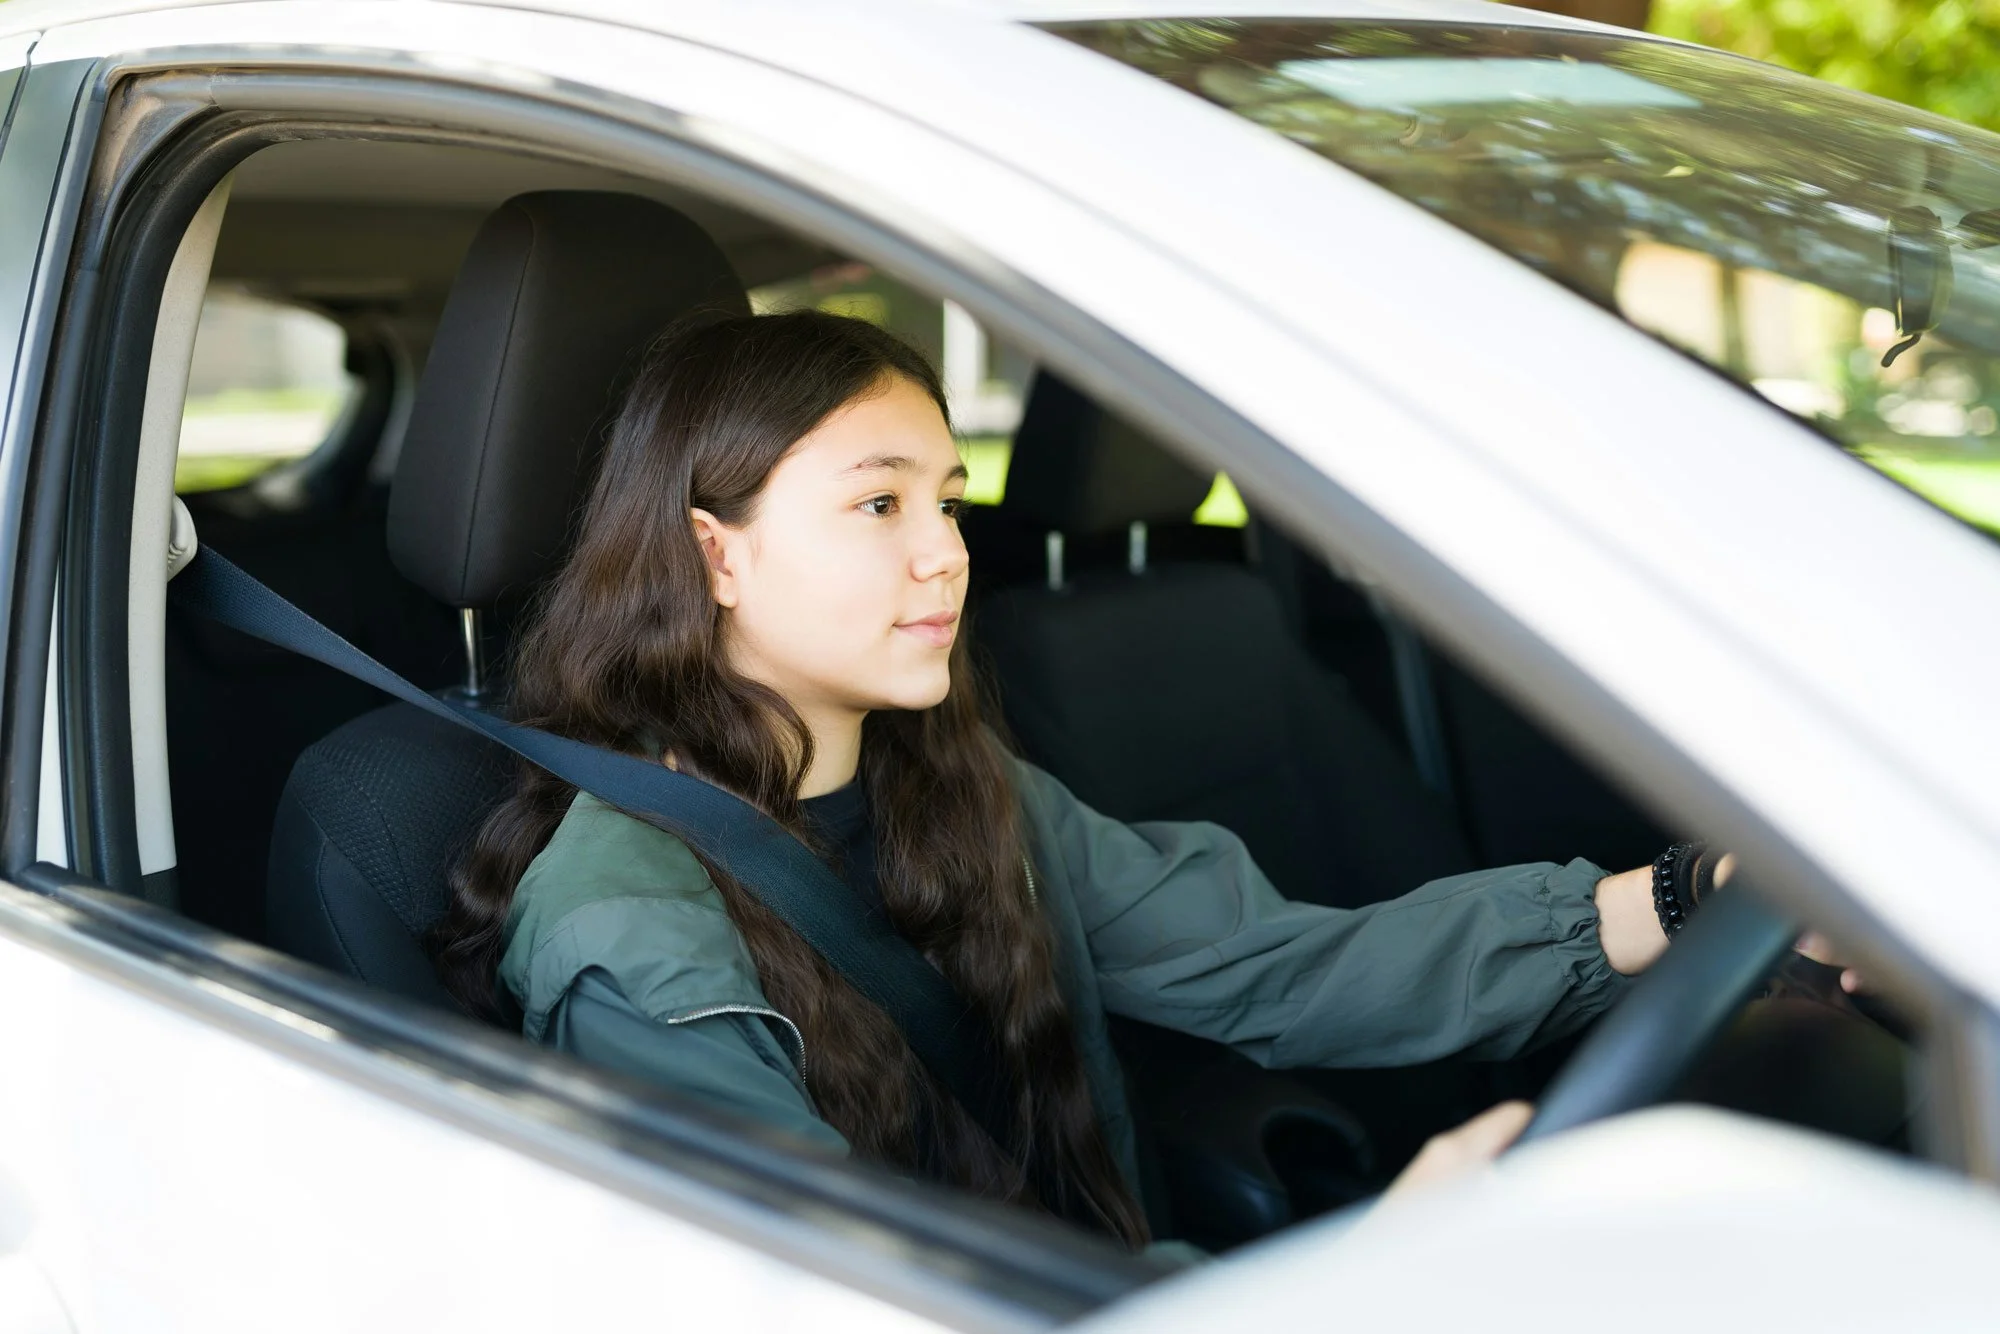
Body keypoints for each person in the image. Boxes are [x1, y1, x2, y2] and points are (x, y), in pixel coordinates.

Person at [430, 309, 1690, 1249]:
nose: (947, 558)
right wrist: (1362, 1270)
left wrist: (1682, 899)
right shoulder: (627, 924)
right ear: (715, 554)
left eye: (950, 501)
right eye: (878, 506)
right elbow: (839, 1290)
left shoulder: (965, 792)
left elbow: (1291, 967)